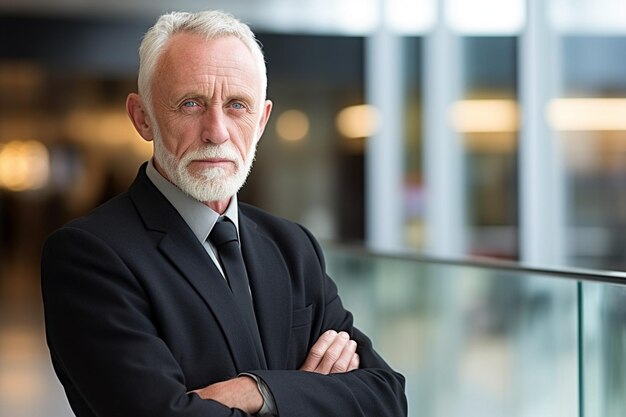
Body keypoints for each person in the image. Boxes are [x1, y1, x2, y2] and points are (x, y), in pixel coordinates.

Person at [41, 10, 407, 417]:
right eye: (191, 103)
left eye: (237, 105)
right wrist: (310, 392)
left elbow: (386, 396)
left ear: (262, 120)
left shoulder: (292, 246)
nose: (216, 130)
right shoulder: (88, 256)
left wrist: (258, 392)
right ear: (142, 117)